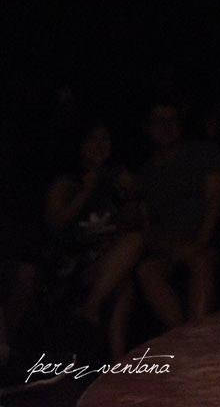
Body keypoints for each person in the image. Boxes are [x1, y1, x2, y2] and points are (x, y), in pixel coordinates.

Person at [42, 120, 144, 360]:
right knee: (125, 265)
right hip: (75, 262)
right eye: (92, 139)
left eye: (105, 138)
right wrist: (86, 192)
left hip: (111, 257)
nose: (99, 145)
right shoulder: (66, 182)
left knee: (125, 274)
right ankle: (94, 314)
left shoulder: (116, 178)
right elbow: (54, 224)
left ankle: (115, 354)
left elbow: (135, 224)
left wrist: (130, 194)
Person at [134, 101, 220, 330]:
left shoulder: (203, 153)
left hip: (201, 239)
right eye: (159, 121)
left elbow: (215, 198)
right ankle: (180, 334)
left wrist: (201, 239)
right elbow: (143, 220)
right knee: (147, 271)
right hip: (165, 246)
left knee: (200, 260)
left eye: (172, 120)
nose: (166, 127)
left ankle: (198, 332)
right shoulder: (144, 172)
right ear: (148, 127)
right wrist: (165, 246)